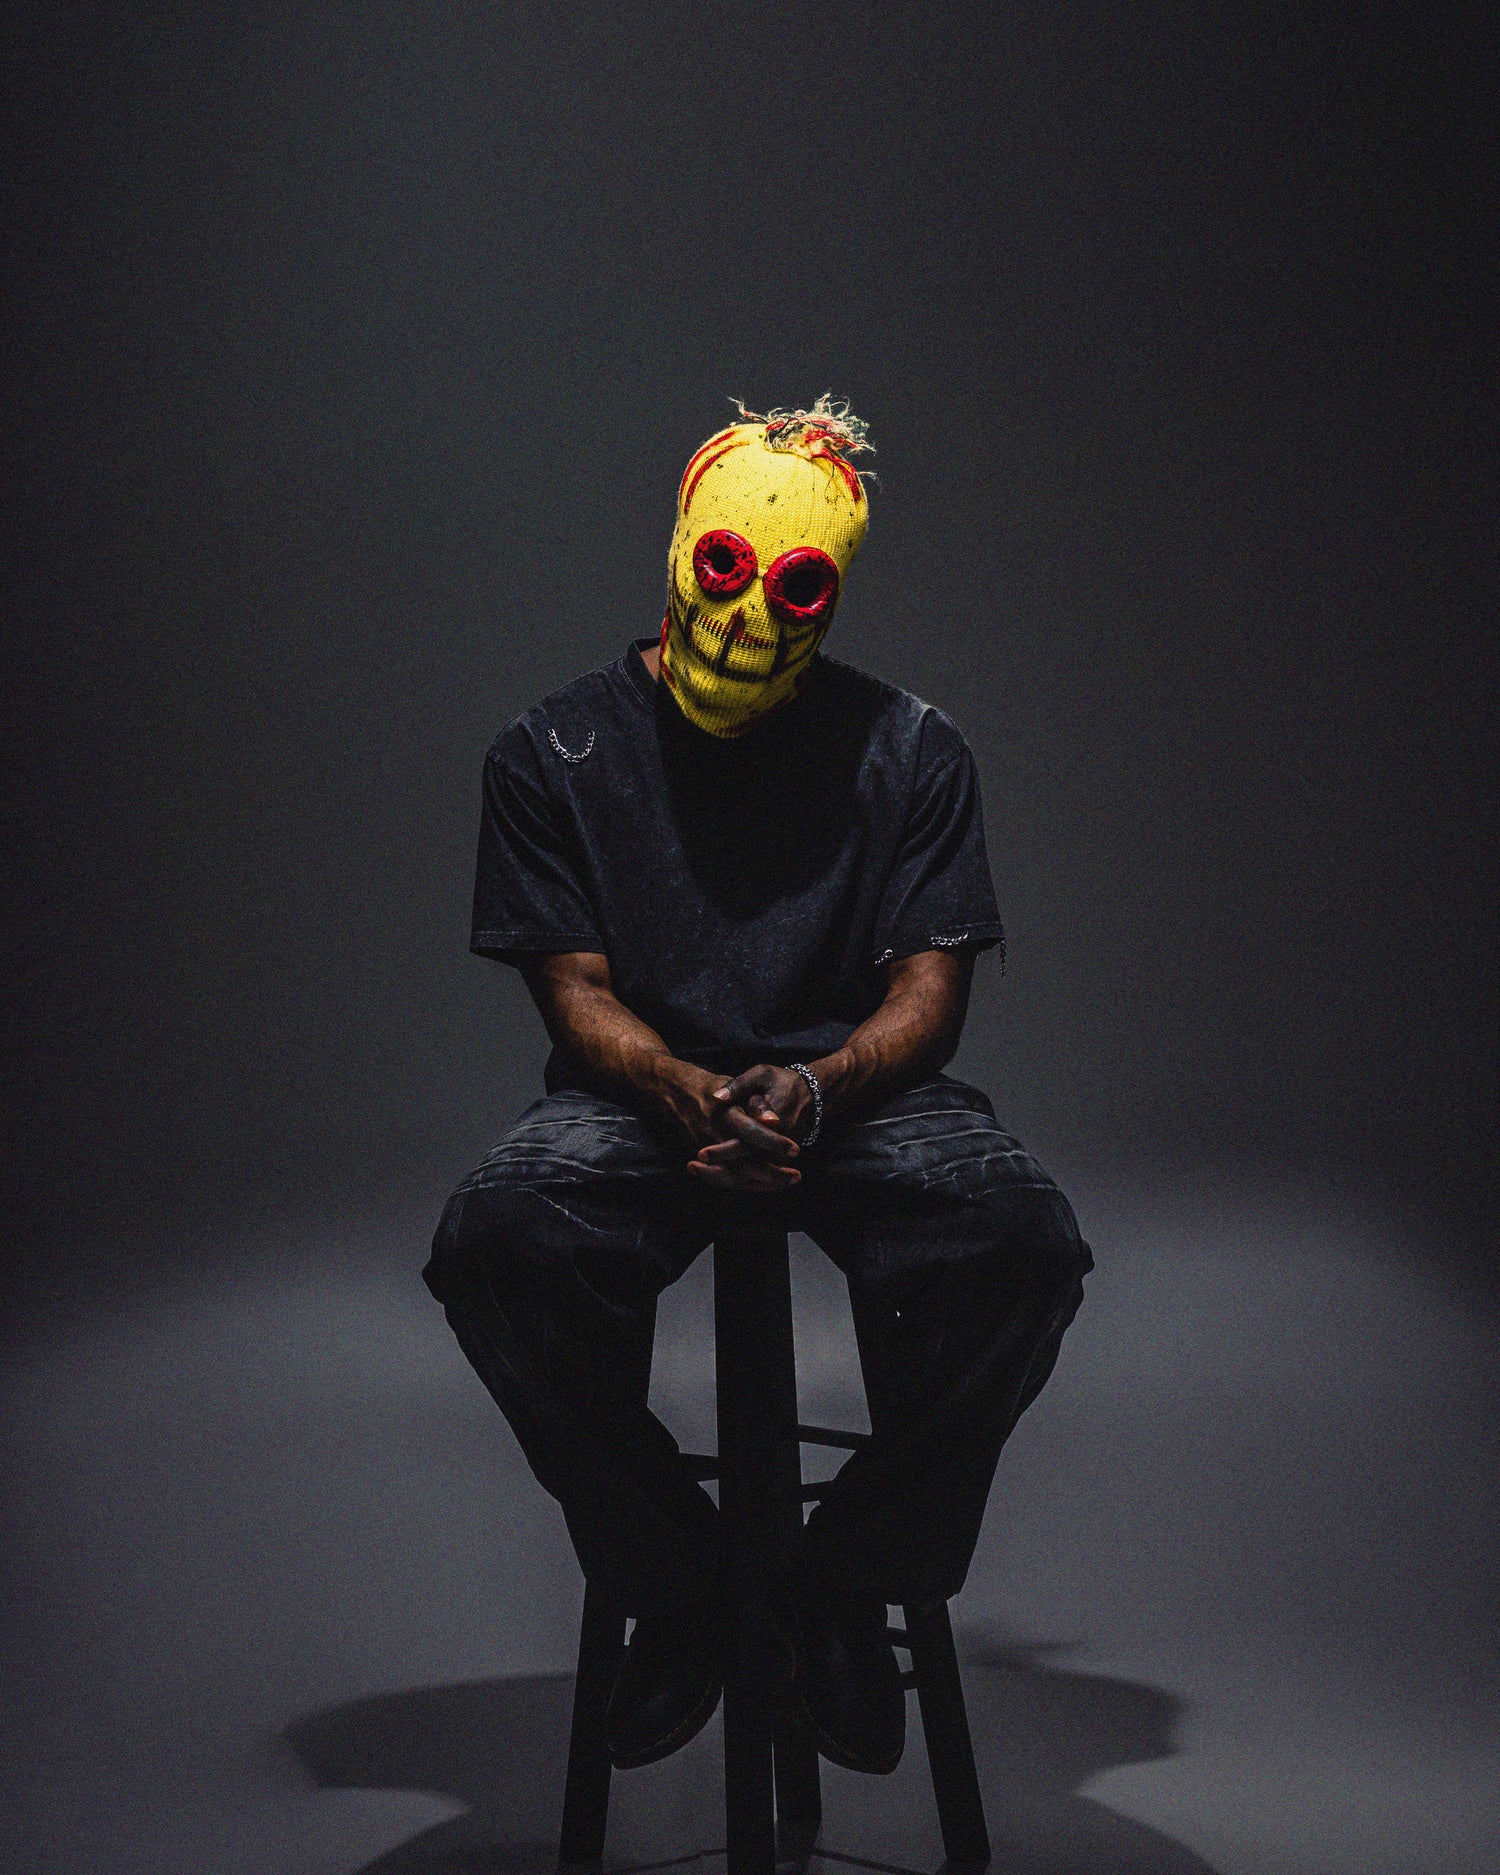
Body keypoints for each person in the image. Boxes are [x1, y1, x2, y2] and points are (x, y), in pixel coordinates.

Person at [424, 397, 1092, 1778]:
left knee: (1021, 1247)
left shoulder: (912, 750)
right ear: (681, 549)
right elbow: (576, 993)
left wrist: (820, 1083)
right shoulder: (550, 753)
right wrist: (679, 1087)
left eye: (800, 587)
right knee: (497, 1248)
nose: (756, 613)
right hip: (628, 1098)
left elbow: (928, 992)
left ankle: (835, 1589)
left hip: (860, 1097)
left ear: (833, 596)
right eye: (729, 568)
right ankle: (683, 1587)